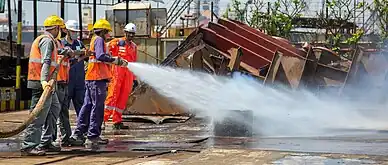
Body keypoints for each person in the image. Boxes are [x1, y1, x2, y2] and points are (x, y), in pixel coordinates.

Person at [70, 19, 129, 149]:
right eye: (107, 32)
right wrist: (115, 60)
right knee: (97, 107)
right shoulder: (99, 40)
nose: (108, 34)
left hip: (92, 78)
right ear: (102, 31)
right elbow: (101, 56)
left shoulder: (95, 39)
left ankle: (79, 133)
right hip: (97, 79)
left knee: (88, 106)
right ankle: (92, 135)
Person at [21, 15, 68, 156]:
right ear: (56, 28)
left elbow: (50, 56)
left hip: (47, 83)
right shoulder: (47, 41)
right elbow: (46, 61)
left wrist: (62, 52)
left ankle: (46, 141)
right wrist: (43, 82)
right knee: (37, 115)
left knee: (55, 109)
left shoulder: (49, 41)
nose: (61, 31)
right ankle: (29, 146)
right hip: (41, 83)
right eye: (60, 28)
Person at [103, 23, 137, 130]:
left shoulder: (134, 46)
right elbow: (104, 50)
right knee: (113, 96)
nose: (130, 36)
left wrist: (134, 79)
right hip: (117, 73)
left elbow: (134, 62)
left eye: (132, 34)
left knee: (123, 98)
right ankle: (103, 119)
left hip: (128, 75)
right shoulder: (117, 43)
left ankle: (117, 121)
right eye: (129, 34)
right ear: (125, 32)